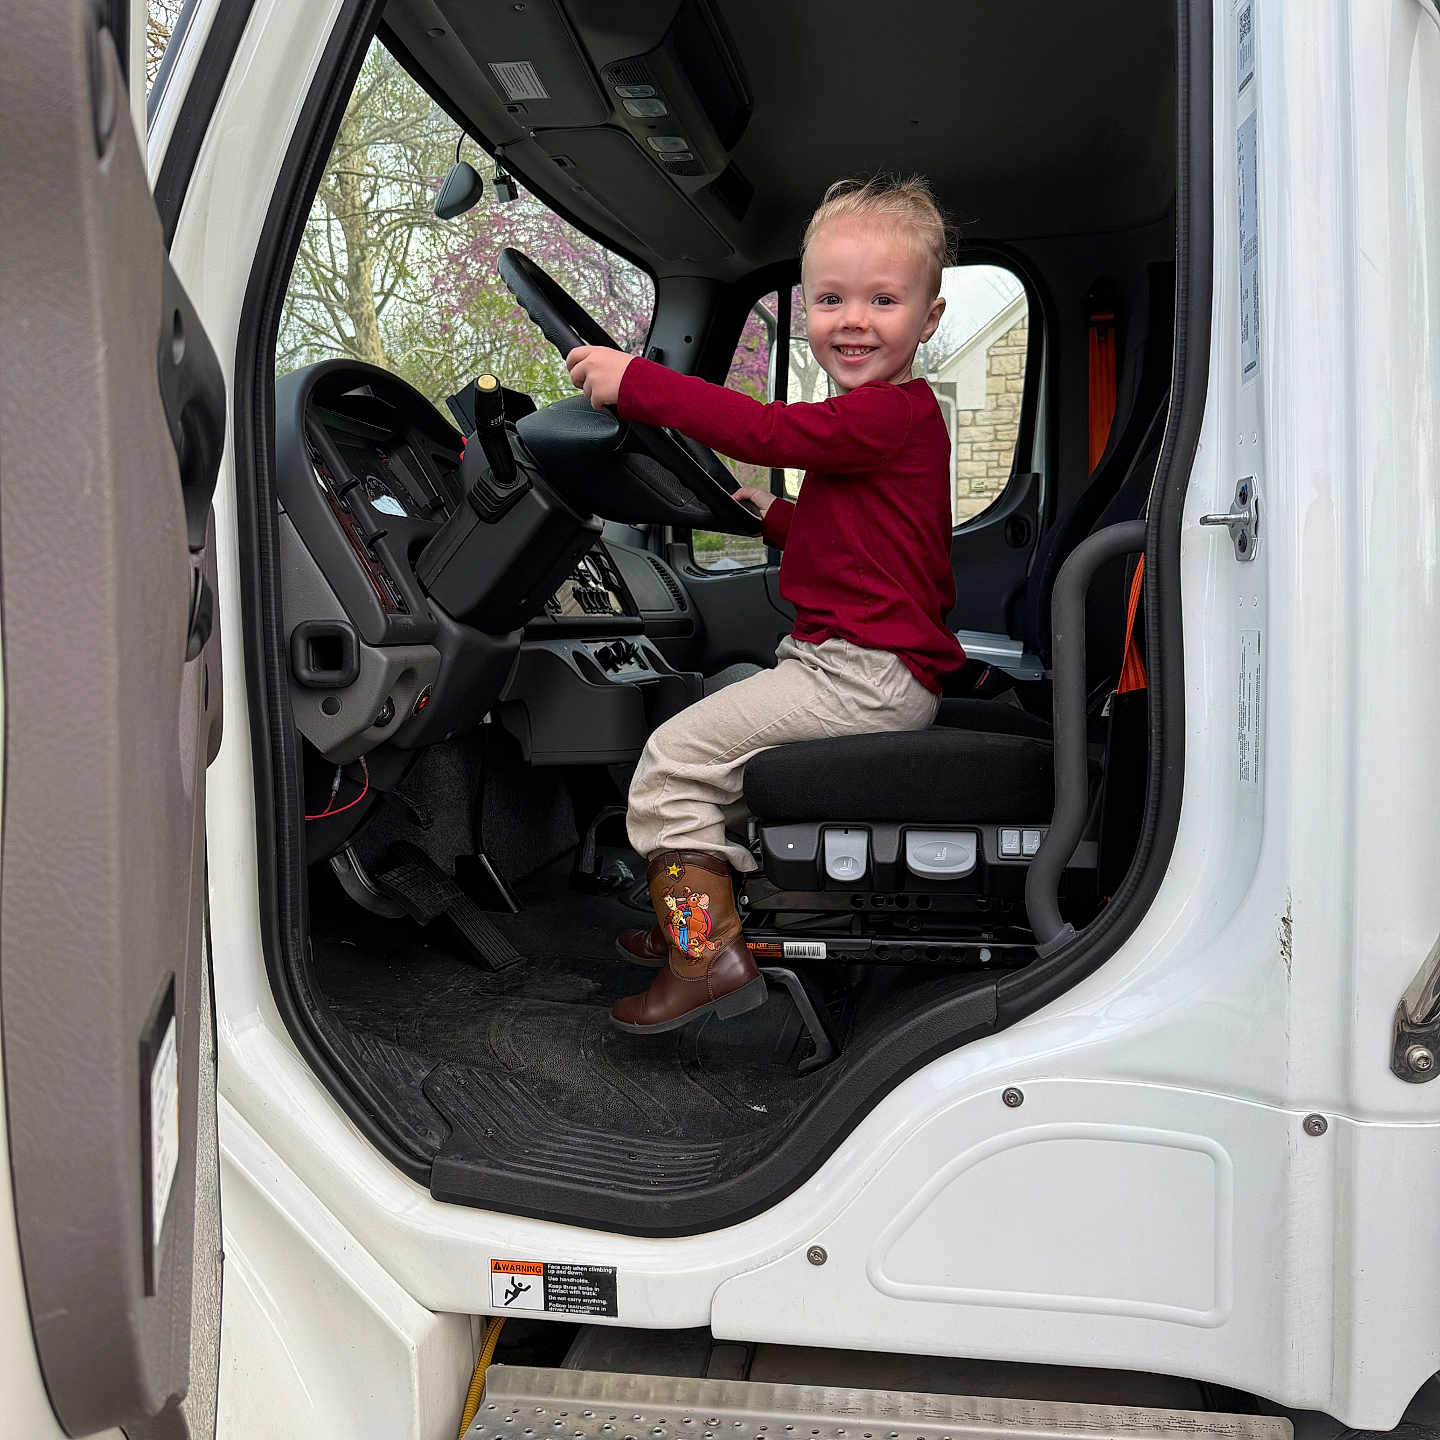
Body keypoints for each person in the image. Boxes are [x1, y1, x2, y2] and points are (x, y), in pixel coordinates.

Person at [565, 174, 967, 1034]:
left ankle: (704, 956)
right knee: (722, 757)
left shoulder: (886, 414)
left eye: (883, 300)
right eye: (830, 299)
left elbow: (770, 433)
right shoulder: (885, 423)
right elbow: (871, 538)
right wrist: (777, 516)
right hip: (866, 664)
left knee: (672, 762)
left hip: (860, 675)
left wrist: (638, 382)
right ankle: (698, 925)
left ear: (929, 319)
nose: (852, 320)